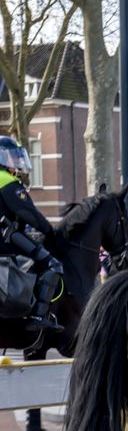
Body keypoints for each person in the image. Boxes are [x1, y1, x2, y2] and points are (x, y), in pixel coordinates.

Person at [0, 136, 63, 331]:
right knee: (53, 265)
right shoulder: (7, 181)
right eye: (12, 158)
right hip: (7, 238)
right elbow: (29, 215)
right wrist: (50, 232)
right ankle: (38, 316)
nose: (16, 163)